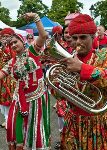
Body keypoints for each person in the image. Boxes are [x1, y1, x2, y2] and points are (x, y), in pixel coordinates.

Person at [54, 14, 107, 150]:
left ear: (93, 37)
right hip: (74, 121)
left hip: (99, 122)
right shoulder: (66, 60)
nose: (78, 42)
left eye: (83, 37)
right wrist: (56, 84)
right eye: (74, 38)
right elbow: (59, 95)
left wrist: (82, 68)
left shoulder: (104, 55)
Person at [0, 12, 51, 150]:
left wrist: (36, 18)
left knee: (34, 128)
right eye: (11, 44)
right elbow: (1, 74)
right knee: (11, 125)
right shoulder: (12, 62)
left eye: (15, 42)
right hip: (19, 97)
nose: (13, 45)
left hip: (36, 97)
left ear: (23, 41)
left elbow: (43, 36)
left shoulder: (33, 51)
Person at [0, 28, 16, 129]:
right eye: (3, 37)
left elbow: (13, 58)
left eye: (7, 36)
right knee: (2, 100)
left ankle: (10, 120)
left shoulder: (13, 47)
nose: (5, 39)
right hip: (1, 78)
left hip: (11, 78)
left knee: (10, 100)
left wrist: (5, 47)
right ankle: (6, 119)